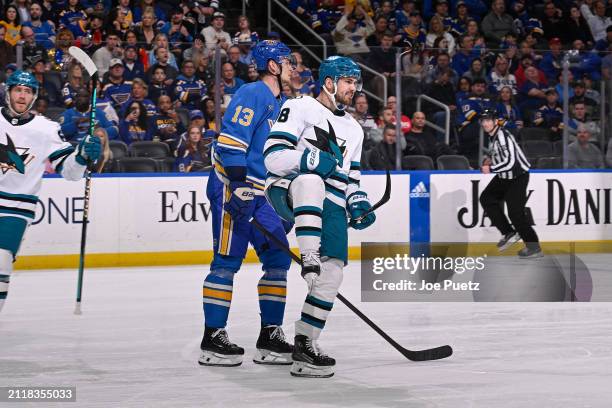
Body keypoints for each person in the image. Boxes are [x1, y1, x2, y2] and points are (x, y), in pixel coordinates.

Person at [264, 56, 376, 378]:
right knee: (311, 180)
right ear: (329, 82)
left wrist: (358, 202)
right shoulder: (299, 107)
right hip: (289, 188)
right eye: (348, 82)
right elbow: (273, 157)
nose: (354, 88)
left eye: (356, 82)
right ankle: (308, 254)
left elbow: (351, 180)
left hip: (331, 203)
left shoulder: (355, 130)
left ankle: (305, 344)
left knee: (333, 273)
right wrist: (310, 158)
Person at [199, 40, 296, 367]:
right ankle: (212, 338)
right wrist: (238, 185)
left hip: (263, 195)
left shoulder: (283, 102)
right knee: (226, 263)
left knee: (278, 261)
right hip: (233, 187)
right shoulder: (253, 93)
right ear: (273, 66)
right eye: (288, 62)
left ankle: (270, 336)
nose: (293, 69)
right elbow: (230, 142)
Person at [0, 70, 101, 312]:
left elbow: (70, 172)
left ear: (33, 97)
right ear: (8, 93)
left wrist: (82, 156)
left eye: (28, 91)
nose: (22, 96)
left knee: (1, 263)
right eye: (18, 90)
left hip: (16, 208)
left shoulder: (46, 130)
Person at [478, 109, 541, 258]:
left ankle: (534, 247)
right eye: (484, 121)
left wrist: (491, 168)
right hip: (505, 176)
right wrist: (490, 158)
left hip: (518, 176)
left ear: (495, 122)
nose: (486, 123)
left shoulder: (502, 136)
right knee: (486, 198)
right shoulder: (493, 136)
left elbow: (511, 162)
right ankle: (508, 232)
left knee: (516, 213)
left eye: (489, 120)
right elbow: (499, 153)